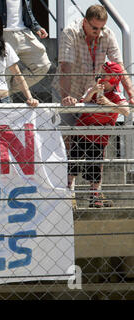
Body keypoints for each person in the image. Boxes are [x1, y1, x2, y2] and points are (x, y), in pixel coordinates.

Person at [67, 62, 130, 208]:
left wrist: (109, 103)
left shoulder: (115, 95)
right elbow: (83, 102)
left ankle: (94, 196)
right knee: (73, 164)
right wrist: (92, 92)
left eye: (105, 75)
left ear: (114, 78)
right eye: (101, 74)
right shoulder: (95, 87)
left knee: (95, 168)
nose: (101, 77)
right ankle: (68, 194)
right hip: (82, 132)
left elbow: (126, 111)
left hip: (99, 137)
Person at [56, 4, 134, 122]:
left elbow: (119, 66)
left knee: (88, 136)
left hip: (90, 93)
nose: (98, 32)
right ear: (85, 21)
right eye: (94, 28)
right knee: (65, 134)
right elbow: (66, 67)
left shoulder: (108, 34)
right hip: (69, 90)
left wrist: (131, 94)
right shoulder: (70, 32)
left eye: (101, 28)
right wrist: (66, 97)